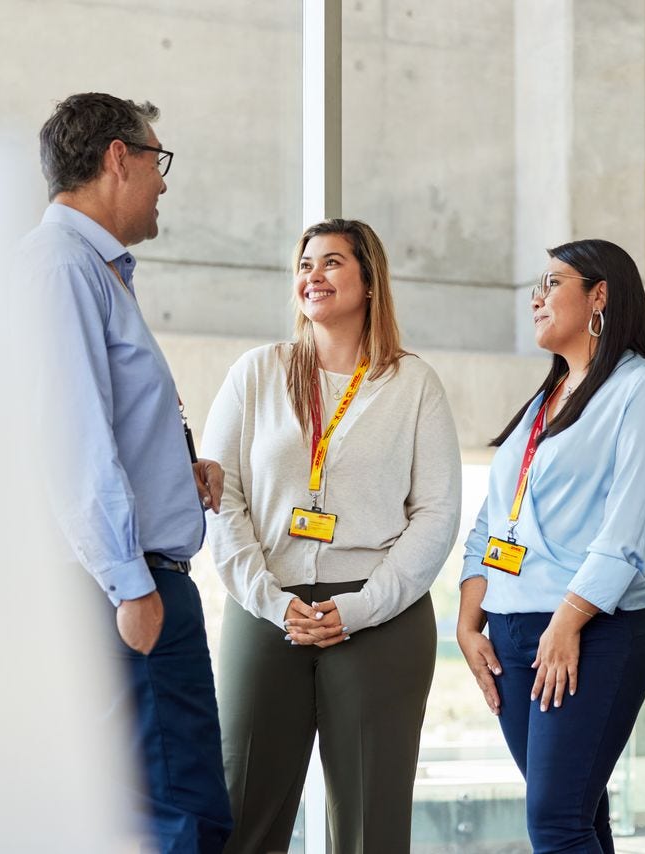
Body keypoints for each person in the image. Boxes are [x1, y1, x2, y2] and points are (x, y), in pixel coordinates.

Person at [201, 219, 462, 854]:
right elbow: (219, 497)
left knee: (372, 828)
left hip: (381, 615)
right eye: (305, 264)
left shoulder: (413, 384)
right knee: (242, 814)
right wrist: (267, 598)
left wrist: (360, 607)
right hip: (267, 608)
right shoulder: (256, 373)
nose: (313, 275)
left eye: (332, 263)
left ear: (370, 282)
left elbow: (437, 514)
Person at [17, 92, 232, 853]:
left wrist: (181, 472)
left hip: (129, 575)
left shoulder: (89, 271)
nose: (163, 181)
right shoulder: (63, 269)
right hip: (126, 584)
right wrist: (131, 585)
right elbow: (70, 440)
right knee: (180, 815)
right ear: (118, 158)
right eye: (156, 161)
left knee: (168, 811)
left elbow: (107, 425)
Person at [456, 239, 645, 854]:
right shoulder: (544, 402)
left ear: (599, 296)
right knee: (581, 819)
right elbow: (490, 522)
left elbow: (630, 532)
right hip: (510, 634)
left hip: (591, 633)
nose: (536, 297)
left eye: (552, 283)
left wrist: (566, 623)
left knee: (556, 824)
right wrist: (467, 622)